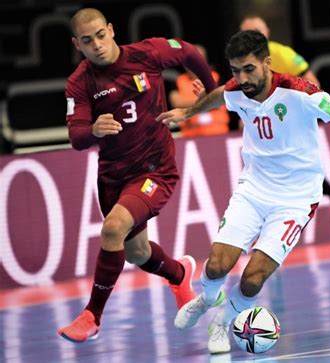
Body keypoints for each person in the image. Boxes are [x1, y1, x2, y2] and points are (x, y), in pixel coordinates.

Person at [157, 30, 330, 354]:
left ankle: (221, 323)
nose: (242, 77)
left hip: (295, 199)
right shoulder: (237, 89)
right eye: (236, 70)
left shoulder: (301, 92)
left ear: (267, 63)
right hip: (253, 189)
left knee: (253, 278)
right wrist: (187, 112)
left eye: (249, 69)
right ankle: (207, 299)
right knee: (215, 266)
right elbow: (220, 95)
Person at [57, 8, 217, 343]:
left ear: (111, 30)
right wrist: (94, 130)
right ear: (77, 44)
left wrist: (212, 92)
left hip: (155, 169)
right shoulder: (79, 83)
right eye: (87, 40)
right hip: (113, 176)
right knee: (136, 253)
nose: (97, 45)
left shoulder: (147, 53)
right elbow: (76, 138)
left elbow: (187, 51)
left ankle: (92, 316)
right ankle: (179, 273)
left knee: (113, 228)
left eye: (101, 35)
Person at [240, 15, 330, 229]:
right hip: (268, 126)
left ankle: (327, 200)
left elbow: (313, 84)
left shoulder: (282, 54)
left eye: (253, 33)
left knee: (296, 169)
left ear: (265, 35)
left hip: (293, 121)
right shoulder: (243, 62)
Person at [169, 44, 230, 137]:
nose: (195, 63)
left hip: (219, 134)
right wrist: (207, 101)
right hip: (191, 136)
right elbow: (176, 102)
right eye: (190, 59)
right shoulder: (179, 80)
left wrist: (192, 104)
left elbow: (223, 98)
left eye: (199, 59)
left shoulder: (217, 77)